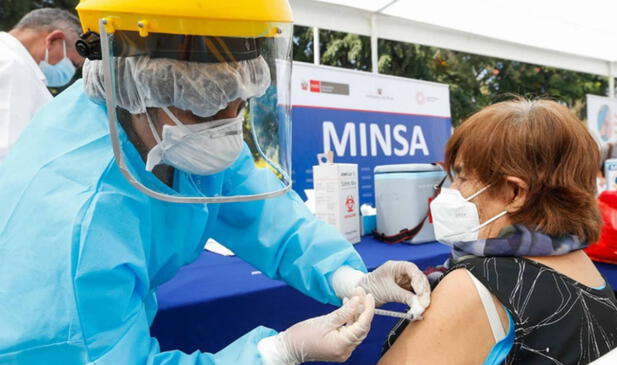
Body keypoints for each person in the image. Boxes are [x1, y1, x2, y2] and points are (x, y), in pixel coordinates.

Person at [0, 1, 430, 364]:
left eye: (238, 103)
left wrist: (350, 278)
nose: (225, 130)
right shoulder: (74, 223)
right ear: (133, 85)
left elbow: (267, 214)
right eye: (204, 108)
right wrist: (278, 351)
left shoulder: (173, 127)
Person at [379, 99, 617, 364]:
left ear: (515, 193)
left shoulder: (476, 287)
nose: (450, 190)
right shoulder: (580, 263)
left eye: (463, 177)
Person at [0, 8, 85, 162]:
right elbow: (8, 151)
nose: (70, 73)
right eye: (73, 63)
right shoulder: (14, 67)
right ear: (53, 39)